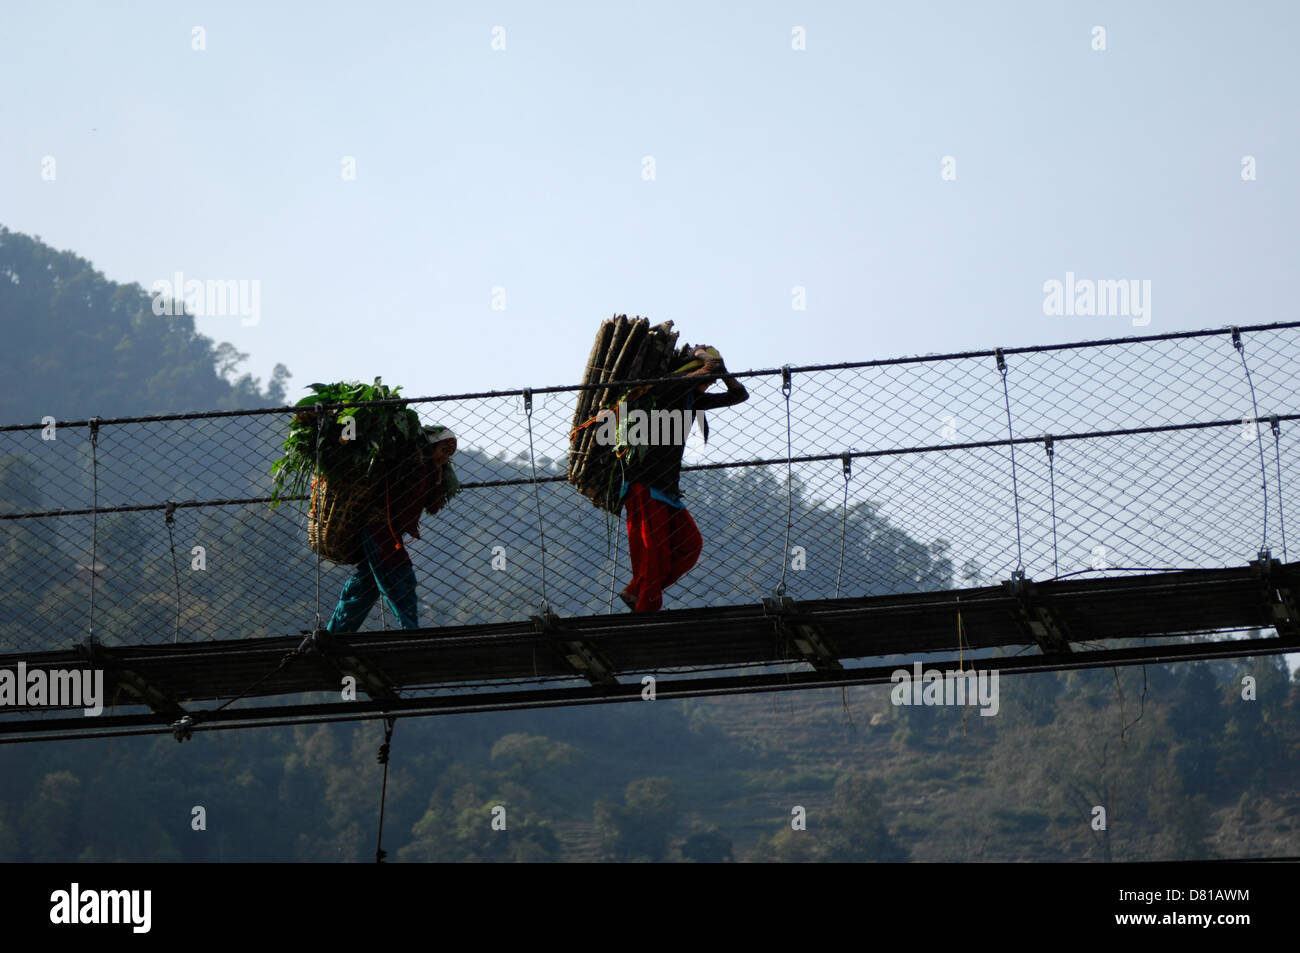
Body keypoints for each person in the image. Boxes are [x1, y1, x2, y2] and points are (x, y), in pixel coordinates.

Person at [618, 347, 748, 612]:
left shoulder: (691, 399)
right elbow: (709, 367)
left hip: (667, 488)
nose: (711, 382)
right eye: (708, 378)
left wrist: (724, 374)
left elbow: (739, 395)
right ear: (691, 370)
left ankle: (637, 590)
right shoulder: (667, 387)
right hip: (644, 483)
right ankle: (646, 608)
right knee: (655, 554)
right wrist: (702, 353)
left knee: (690, 545)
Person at [324, 426, 459, 632]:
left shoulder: (431, 472)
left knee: (365, 586)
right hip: (379, 528)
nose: (446, 455)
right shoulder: (412, 462)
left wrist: (439, 476)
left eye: (450, 452)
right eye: (444, 448)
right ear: (431, 445)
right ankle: (410, 630)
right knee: (401, 574)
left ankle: (336, 632)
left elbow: (433, 506)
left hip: (391, 532)